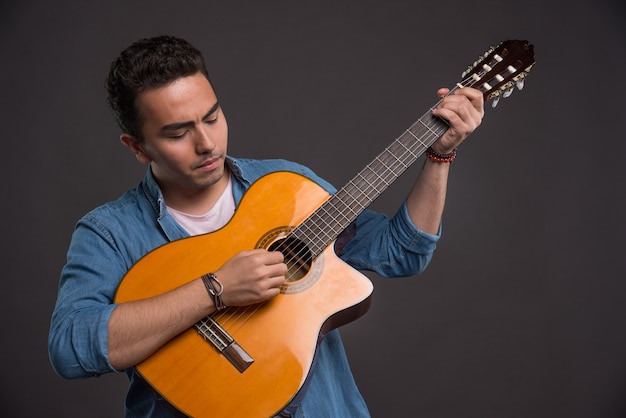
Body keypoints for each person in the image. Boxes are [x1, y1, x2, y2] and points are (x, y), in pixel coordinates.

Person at [48, 35, 484, 417]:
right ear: (138, 147)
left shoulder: (287, 188)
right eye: (178, 133)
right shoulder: (109, 231)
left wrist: (439, 156)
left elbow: (400, 253)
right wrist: (214, 289)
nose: (206, 143)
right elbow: (70, 349)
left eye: (212, 117)